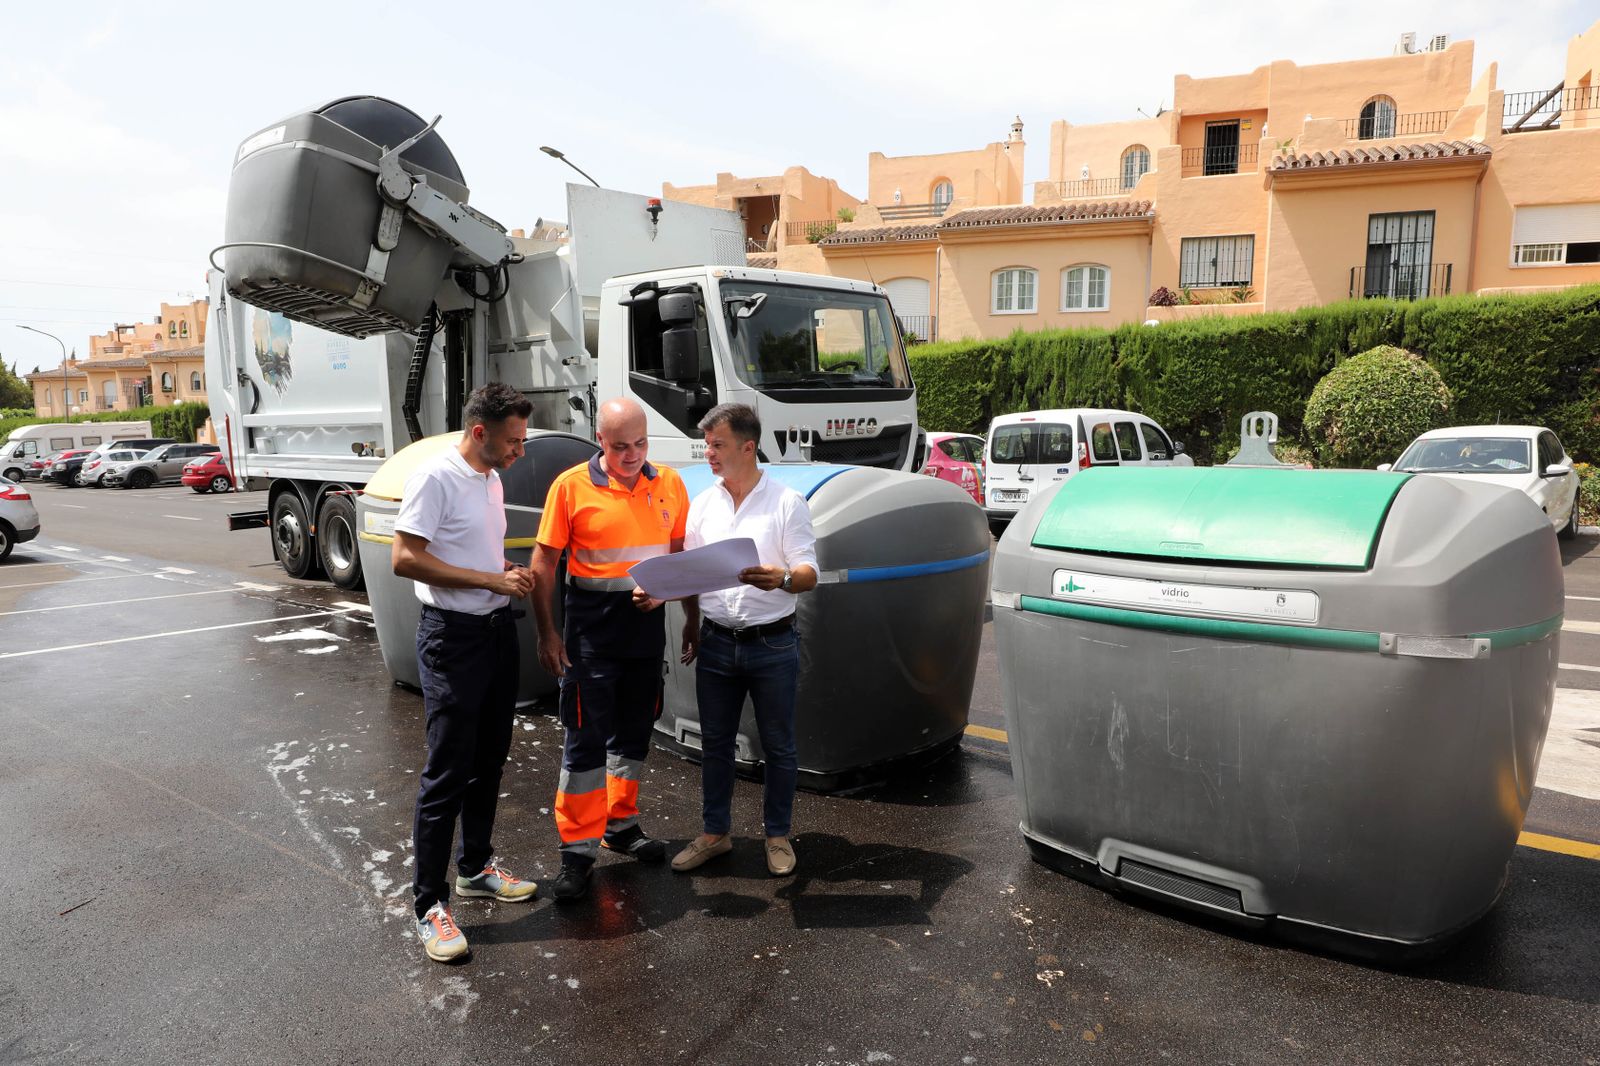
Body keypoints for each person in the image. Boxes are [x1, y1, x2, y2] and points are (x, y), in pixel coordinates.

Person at [392, 382, 539, 964]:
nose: (519, 451)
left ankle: (476, 868)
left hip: (497, 631)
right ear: (479, 431)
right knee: (447, 772)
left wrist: (501, 569)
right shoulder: (436, 476)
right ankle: (429, 905)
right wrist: (489, 580)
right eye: (512, 440)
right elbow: (404, 558)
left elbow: (469, 551)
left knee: (488, 761)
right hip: (452, 640)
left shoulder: (491, 477)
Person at [531, 397, 691, 902]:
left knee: (634, 734)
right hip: (590, 638)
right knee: (585, 741)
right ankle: (576, 851)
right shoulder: (570, 487)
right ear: (600, 440)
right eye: (620, 446)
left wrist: (682, 608)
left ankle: (620, 825)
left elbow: (680, 557)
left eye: (640, 444)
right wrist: (547, 634)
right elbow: (544, 564)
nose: (631, 455)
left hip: (644, 636)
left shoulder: (669, 483)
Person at [671, 403, 818, 877]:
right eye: (707, 444)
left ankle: (777, 835)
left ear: (748, 447)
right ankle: (715, 834)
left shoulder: (785, 502)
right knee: (715, 744)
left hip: (772, 643)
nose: (708, 453)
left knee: (778, 745)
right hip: (715, 640)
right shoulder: (705, 502)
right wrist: (691, 622)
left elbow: (809, 573)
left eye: (717, 445)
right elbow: (692, 572)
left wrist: (783, 579)